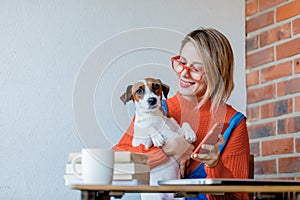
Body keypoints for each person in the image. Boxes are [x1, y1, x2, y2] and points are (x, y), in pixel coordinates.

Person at [113, 28, 250, 200]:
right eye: (182, 62)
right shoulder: (154, 110)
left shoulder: (233, 122)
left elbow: (238, 197)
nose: (184, 73)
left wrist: (214, 165)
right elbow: (117, 168)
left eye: (196, 69)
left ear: (217, 74)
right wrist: (167, 152)